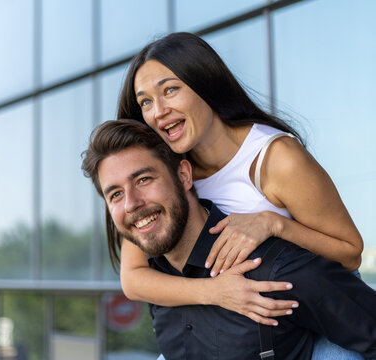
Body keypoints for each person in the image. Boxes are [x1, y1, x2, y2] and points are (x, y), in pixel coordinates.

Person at [115, 32, 364, 359]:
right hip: (230, 323)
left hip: (318, 314)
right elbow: (133, 280)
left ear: (204, 81)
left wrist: (273, 224)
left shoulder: (276, 158)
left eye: (170, 90)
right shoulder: (166, 171)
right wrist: (215, 292)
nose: (157, 111)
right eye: (146, 101)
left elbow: (350, 254)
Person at [81, 119, 376, 360]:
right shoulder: (158, 283)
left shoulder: (277, 271)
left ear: (184, 176)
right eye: (115, 194)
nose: (131, 203)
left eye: (144, 180)